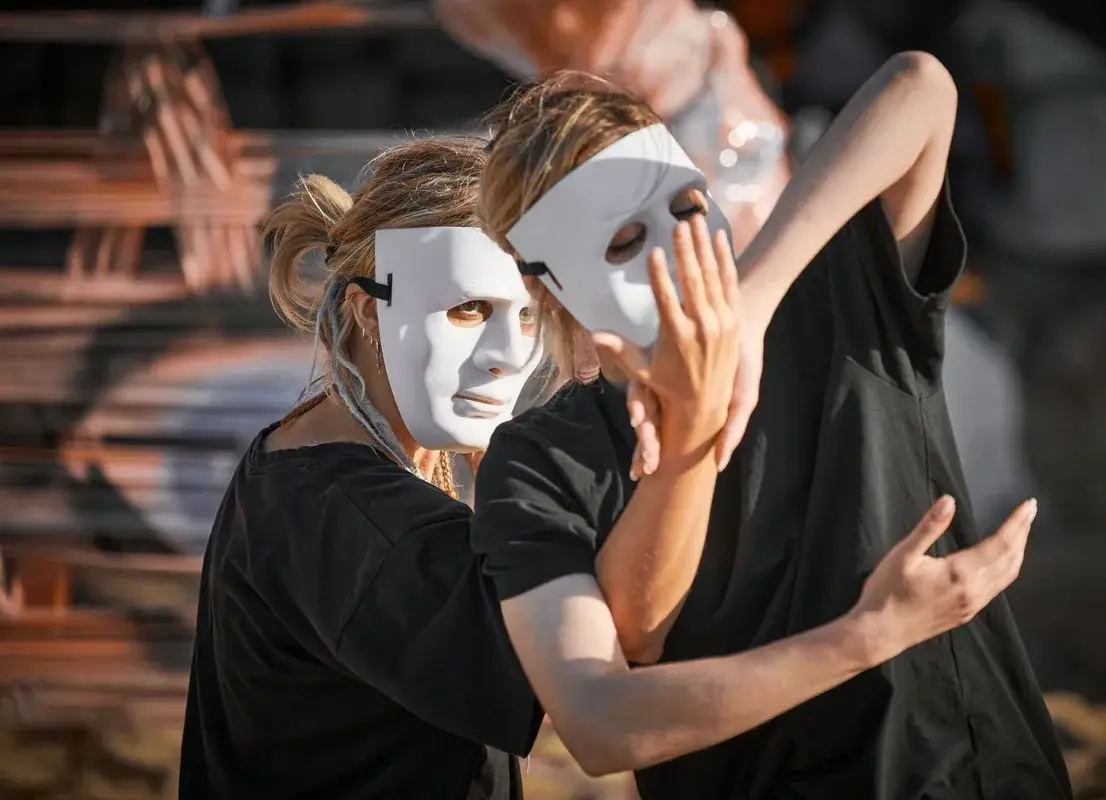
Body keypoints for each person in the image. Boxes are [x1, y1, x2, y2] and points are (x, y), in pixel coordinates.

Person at [179, 135, 1036, 800]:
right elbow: (594, 683)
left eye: (527, 312)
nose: (503, 358)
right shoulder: (349, 518)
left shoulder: (319, 456)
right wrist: (863, 632)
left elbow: (920, 88)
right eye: (470, 310)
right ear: (368, 313)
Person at [469, 53, 1071, 798]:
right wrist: (865, 637)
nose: (678, 253)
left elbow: (921, 87)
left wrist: (750, 308)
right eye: (624, 244)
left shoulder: (837, 303)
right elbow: (603, 713)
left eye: (689, 209)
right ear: (551, 284)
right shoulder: (538, 461)